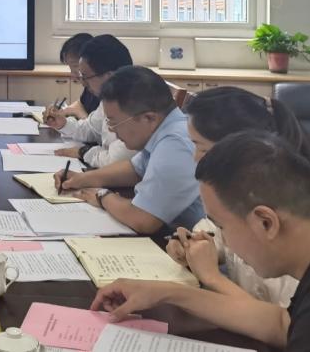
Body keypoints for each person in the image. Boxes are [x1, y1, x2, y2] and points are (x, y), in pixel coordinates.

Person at [92, 132, 310, 351]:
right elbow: (281, 324)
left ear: (266, 222)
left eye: (222, 227)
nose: (222, 240)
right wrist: (166, 292)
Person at [166, 87, 310, 306]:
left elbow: (282, 321)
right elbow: (215, 231)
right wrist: (192, 245)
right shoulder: (240, 198)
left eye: (202, 149)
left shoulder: (290, 231)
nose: (195, 158)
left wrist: (212, 278)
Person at [55, 66, 205, 234]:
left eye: (113, 122)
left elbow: (143, 219)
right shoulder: (164, 129)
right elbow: (135, 169)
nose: (111, 130)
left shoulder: (176, 143)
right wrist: (81, 179)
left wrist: (102, 196)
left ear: (148, 118)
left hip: (197, 241)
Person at [44, 34, 136, 168]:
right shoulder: (110, 98)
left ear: (109, 76)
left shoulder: (135, 102)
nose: (82, 82)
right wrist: (63, 124)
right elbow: (91, 129)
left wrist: (83, 152)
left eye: (85, 76)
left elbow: (114, 161)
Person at [57, 32, 96, 119]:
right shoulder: (89, 86)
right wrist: (63, 111)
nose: (73, 75)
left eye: (75, 66)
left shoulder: (100, 88)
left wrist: (77, 112)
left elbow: (94, 126)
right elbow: (80, 103)